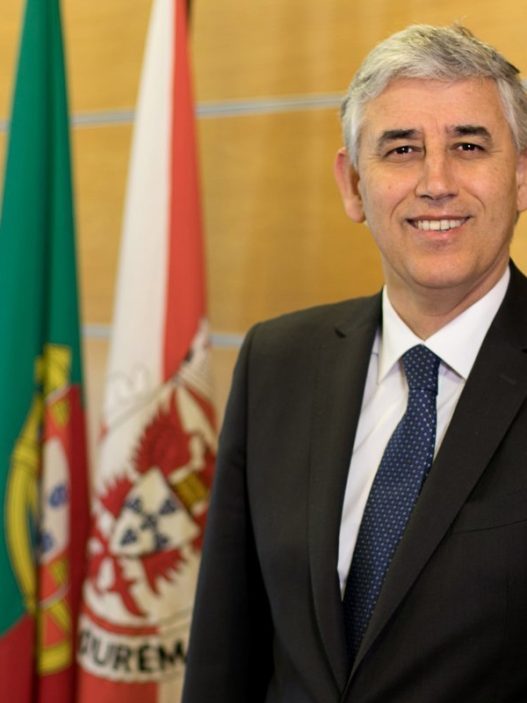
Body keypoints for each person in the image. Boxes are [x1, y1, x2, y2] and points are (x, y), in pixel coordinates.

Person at [181, 24, 527, 702]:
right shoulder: (276, 362)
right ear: (352, 184)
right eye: (402, 149)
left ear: (520, 176)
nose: (436, 182)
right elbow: (225, 649)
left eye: (468, 145)